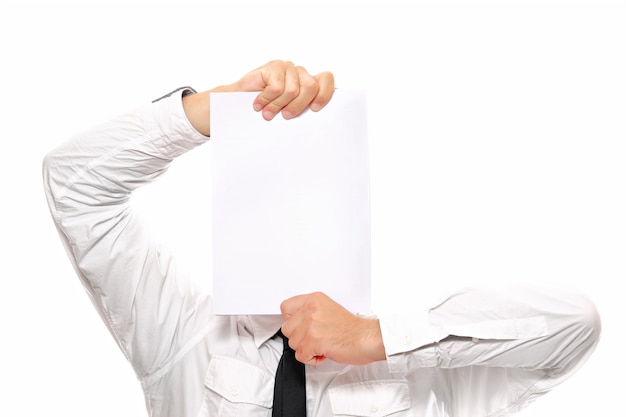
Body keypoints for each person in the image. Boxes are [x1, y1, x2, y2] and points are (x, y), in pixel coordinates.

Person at [42, 59, 601, 417]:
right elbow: (74, 184)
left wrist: (374, 339)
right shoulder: (184, 340)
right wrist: (213, 109)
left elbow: (575, 325)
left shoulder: (433, 377)